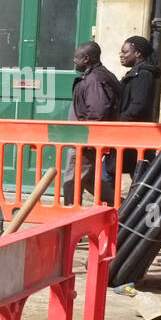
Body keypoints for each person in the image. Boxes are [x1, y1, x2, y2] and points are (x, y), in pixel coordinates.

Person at [100, 35, 160, 202]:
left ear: (138, 53)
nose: (121, 55)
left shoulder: (143, 74)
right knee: (129, 175)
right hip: (130, 136)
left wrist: (120, 122)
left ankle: (121, 211)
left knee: (134, 177)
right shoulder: (136, 73)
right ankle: (123, 209)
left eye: (125, 51)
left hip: (134, 135)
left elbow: (138, 104)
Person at [61, 41, 121, 206]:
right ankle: (121, 205)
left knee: (73, 179)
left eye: (76, 57)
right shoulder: (96, 76)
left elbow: (98, 111)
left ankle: (68, 217)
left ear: (86, 59)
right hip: (87, 139)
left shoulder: (94, 79)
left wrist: (84, 136)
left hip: (85, 140)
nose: (74, 61)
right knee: (89, 180)